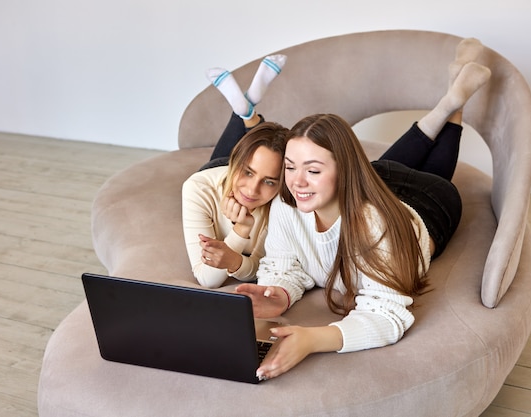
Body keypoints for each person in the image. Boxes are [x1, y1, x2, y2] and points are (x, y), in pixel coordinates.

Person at [234, 38, 492, 380]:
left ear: (344, 171)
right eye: (290, 166)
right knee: (385, 167)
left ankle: (455, 108)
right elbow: (285, 264)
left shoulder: (376, 227)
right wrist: (279, 294)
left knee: (431, 172)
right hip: (373, 180)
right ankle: (449, 101)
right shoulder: (289, 202)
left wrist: (314, 338)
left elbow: (388, 315)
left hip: (428, 203)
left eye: (312, 170)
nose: (296, 181)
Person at [182, 55, 289, 288]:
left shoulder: (283, 200)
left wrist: (238, 238)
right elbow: (207, 278)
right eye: (248, 173)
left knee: (268, 149)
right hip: (218, 171)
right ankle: (247, 115)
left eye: (270, 181)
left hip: (235, 167)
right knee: (250, 150)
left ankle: (246, 110)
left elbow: (264, 267)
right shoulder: (198, 188)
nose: (252, 190)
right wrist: (240, 238)